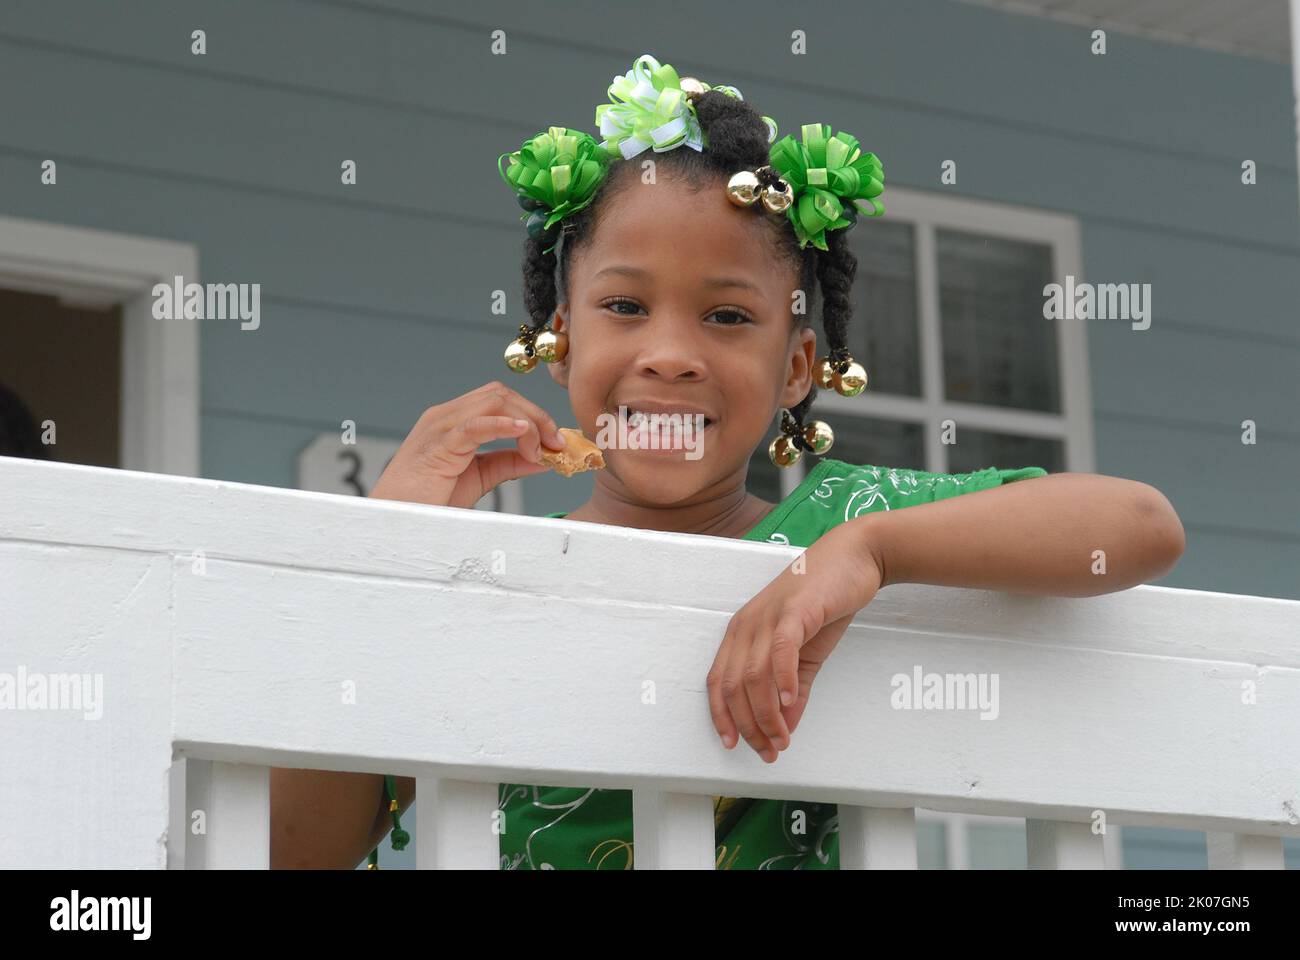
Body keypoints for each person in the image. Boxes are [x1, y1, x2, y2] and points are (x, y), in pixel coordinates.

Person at [269, 54, 1185, 870]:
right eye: (625, 306)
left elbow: (1140, 527)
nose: (670, 354)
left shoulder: (836, 529)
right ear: (561, 340)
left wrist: (868, 554)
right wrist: (379, 548)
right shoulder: (480, 582)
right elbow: (294, 853)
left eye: (728, 316)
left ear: (795, 367)